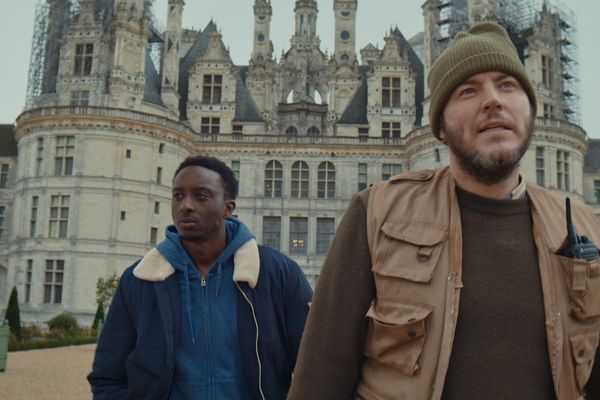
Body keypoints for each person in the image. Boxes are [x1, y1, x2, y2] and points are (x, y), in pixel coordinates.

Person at [288, 21, 600, 400]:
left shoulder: (584, 229)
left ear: (530, 111)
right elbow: (322, 373)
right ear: (439, 127)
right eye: (468, 90)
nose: (493, 100)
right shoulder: (377, 212)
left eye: (508, 85)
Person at [88, 155, 312, 399]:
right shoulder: (140, 279)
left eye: (201, 195)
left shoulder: (277, 274)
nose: (185, 205)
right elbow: (108, 377)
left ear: (228, 207)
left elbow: (315, 366)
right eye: (178, 196)